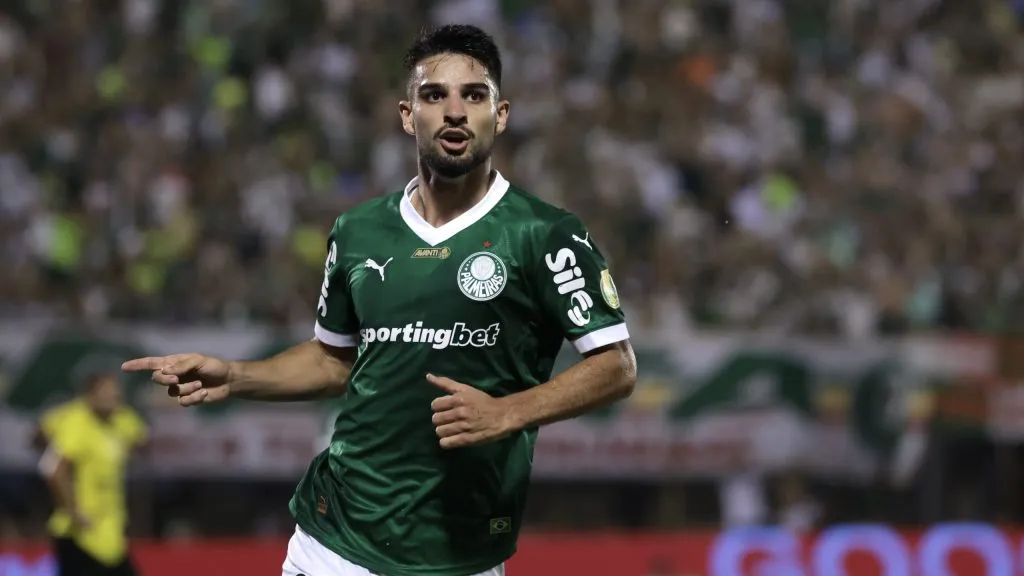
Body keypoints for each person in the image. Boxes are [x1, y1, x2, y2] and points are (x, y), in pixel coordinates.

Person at [122, 24, 637, 576]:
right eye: (434, 95)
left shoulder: (546, 233)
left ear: (501, 114)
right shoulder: (358, 231)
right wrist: (236, 375)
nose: (455, 112)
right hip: (334, 541)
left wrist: (508, 412)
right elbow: (333, 360)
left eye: (474, 95)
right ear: (407, 115)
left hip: (460, 553)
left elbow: (616, 366)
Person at [36, 372, 148, 576]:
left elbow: (140, 438)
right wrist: (74, 511)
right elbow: (53, 469)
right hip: (81, 531)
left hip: (109, 526)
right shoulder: (76, 423)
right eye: (107, 394)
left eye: (116, 395)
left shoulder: (119, 419)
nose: (113, 399)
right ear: (90, 396)